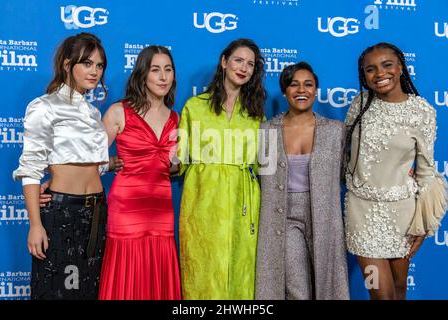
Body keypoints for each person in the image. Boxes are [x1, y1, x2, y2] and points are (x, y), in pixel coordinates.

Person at [344, 42, 447, 300]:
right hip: (361, 213)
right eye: (370, 69)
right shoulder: (360, 103)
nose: (379, 73)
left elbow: (425, 172)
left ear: (400, 67)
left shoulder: (422, 112)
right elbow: (343, 152)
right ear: (364, 76)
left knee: (399, 291)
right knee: (381, 295)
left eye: (387, 65)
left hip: (401, 215)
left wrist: (423, 224)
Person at [12, 33, 109, 300]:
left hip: (97, 210)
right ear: (67, 64)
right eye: (87, 63)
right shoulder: (44, 107)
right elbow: (31, 168)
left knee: (87, 289)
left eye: (99, 66)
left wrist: (111, 164)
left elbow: (91, 164)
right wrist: (35, 224)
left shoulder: (93, 112)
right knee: (58, 290)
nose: (94, 71)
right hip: (63, 211)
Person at [176, 38, 266, 299]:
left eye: (250, 64)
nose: (244, 68)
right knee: (203, 266)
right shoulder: (195, 106)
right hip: (203, 199)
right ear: (224, 61)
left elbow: (264, 164)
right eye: (238, 60)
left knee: (241, 267)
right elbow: (177, 160)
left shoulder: (256, 113)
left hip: (244, 200)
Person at [255, 62, 350, 300]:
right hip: (283, 216)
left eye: (308, 84)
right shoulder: (265, 131)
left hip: (324, 216)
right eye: (294, 84)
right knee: (296, 287)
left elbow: (353, 173)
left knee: (327, 284)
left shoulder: (335, 131)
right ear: (285, 90)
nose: (301, 90)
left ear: (316, 90)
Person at [98, 45, 181, 300]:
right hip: (126, 212)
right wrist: (108, 163)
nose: (163, 77)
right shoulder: (119, 111)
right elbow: (89, 159)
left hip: (161, 212)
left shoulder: (176, 118)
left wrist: (176, 164)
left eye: (168, 70)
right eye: (155, 70)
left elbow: (175, 166)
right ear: (143, 74)